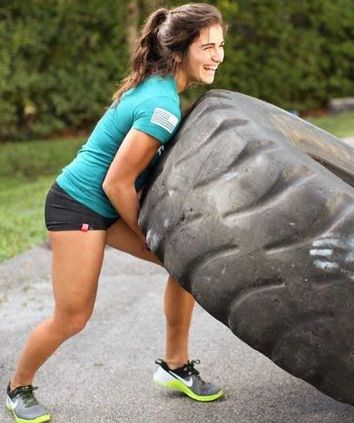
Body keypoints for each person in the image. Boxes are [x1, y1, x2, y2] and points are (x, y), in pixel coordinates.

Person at [5, 3, 226, 423]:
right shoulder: (162, 105)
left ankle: (174, 365)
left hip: (103, 204)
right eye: (207, 47)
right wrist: (146, 233)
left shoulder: (162, 87)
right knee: (72, 318)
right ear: (180, 51)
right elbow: (116, 184)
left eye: (220, 46)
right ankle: (18, 387)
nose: (216, 56)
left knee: (183, 267)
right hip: (79, 205)